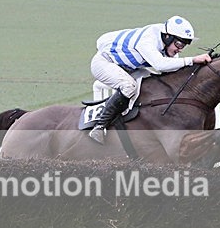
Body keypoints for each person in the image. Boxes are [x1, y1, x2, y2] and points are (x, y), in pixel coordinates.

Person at [88, 15, 212, 144]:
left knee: (152, 84)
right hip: (104, 63)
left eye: (183, 46)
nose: (179, 49)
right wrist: (192, 60)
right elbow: (160, 65)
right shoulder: (148, 39)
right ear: (167, 37)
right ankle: (99, 127)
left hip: (130, 67)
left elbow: (172, 69)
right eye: (178, 44)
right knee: (128, 86)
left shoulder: (166, 42)